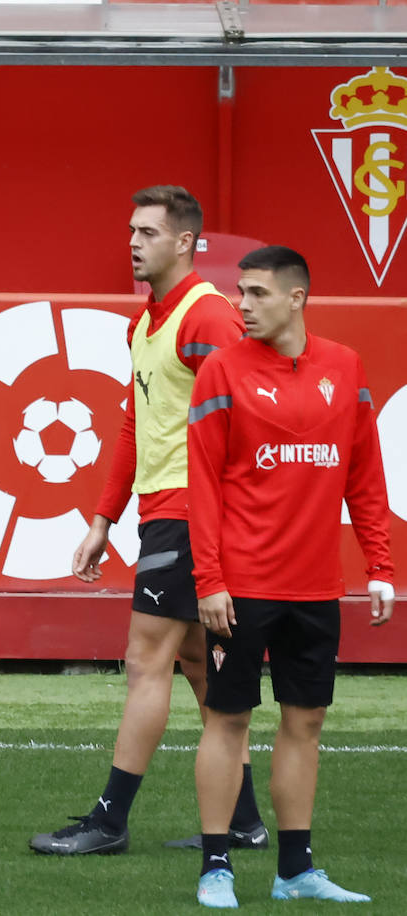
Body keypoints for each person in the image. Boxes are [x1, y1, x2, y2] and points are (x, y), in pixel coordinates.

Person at [32, 185, 266, 855]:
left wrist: (220, 520)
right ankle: (245, 822)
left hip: (191, 514)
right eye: (131, 229)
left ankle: (109, 821)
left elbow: (245, 422)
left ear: (186, 242)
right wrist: (103, 518)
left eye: (148, 232)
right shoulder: (147, 322)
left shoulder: (207, 318)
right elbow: (137, 425)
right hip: (166, 512)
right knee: (196, 664)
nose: (133, 241)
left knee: (145, 663)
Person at [188, 245, 394, 908]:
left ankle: (295, 870)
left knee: (305, 723)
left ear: (297, 297)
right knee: (228, 719)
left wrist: (380, 565)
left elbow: (363, 478)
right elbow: (204, 487)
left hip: (315, 589)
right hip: (241, 586)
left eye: (256, 293)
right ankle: (216, 867)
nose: (241, 305)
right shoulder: (221, 369)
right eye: (239, 292)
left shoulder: (346, 367)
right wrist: (210, 579)